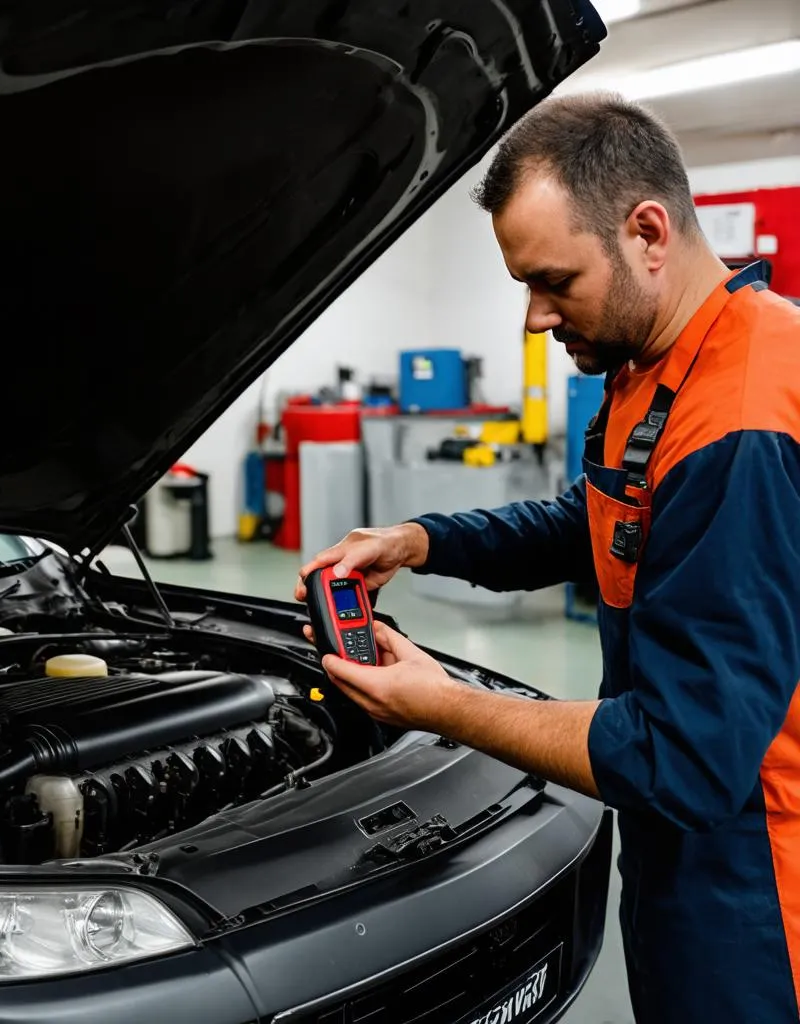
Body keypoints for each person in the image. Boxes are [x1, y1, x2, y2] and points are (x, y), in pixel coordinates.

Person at [294, 92, 800, 1023]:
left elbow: (683, 756)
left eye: (555, 281)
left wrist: (443, 705)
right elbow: (593, 522)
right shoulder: (660, 360)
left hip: (761, 882)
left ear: (648, 231)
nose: (535, 318)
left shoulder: (740, 419)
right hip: (687, 847)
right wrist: (422, 540)